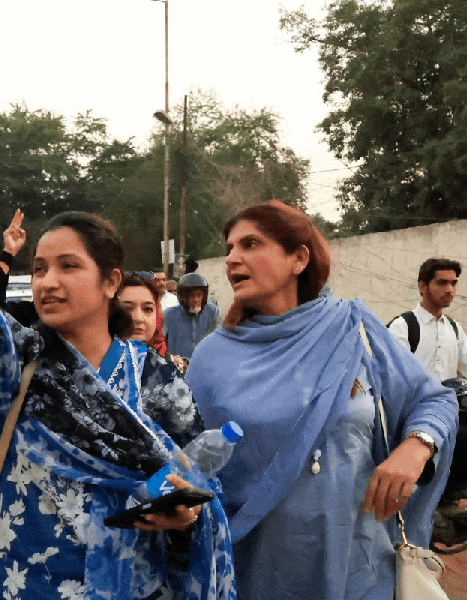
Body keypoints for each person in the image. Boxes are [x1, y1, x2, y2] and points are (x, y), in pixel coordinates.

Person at [0, 53, 235, 599]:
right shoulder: (12, 356)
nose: (48, 281)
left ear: (111, 282)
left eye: (68, 266)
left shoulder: (159, 383)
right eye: (38, 268)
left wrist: (184, 518)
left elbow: (199, 490)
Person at [184, 200, 458, 599]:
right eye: (229, 248)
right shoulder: (212, 358)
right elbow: (186, 459)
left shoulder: (354, 330)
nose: (231, 259)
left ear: (298, 258)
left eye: (250, 244)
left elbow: (434, 400)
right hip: (259, 570)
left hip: (359, 567)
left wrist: (416, 448)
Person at [388, 258, 467, 380]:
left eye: (453, 283)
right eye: (442, 283)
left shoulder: (455, 329)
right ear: (422, 287)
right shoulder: (402, 327)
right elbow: (393, 379)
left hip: (450, 399)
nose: (450, 290)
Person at [0, 209, 39, 327]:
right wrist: (8, 252)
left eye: (68, 266)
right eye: (40, 270)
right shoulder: (32, 315)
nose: (50, 280)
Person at [118, 273, 186, 373]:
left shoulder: (172, 370)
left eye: (148, 309)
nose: (138, 318)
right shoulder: (93, 369)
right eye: (127, 309)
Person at [162, 273, 219, 360]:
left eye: (199, 295)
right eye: (192, 295)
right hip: (178, 368)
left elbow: (221, 337)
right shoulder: (168, 315)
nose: (196, 299)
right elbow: (158, 342)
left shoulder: (211, 311)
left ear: (204, 296)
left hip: (204, 365)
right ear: (183, 297)